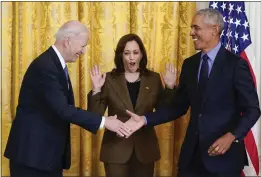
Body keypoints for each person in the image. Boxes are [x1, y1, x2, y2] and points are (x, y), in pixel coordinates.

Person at [124, 8, 261, 177]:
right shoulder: (190, 64)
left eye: (196, 28)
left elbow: (253, 109)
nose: (191, 33)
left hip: (224, 157)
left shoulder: (235, 65)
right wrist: (145, 119)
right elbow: (178, 107)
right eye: (191, 28)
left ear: (214, 30)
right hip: (191, 157)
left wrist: (232, 136)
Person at [4, 20, 132, 177]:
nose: (84, 51)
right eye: (83, 45)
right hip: (32, 157)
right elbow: (63, 109)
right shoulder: (46, 66)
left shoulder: (55, 64)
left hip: (45, 156)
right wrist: (105, 121)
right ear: (68, 40)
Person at [87, 33, 176, 177]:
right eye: (127, 53)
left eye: (135, 52)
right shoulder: (109, 79)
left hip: (145, 150)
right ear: (121, 56)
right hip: (116, 150)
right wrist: (96, 89)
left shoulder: (153, 78)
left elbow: (163, 112)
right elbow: (94, 115)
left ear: (142, 55)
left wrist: (170, 88)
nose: (132, 57)